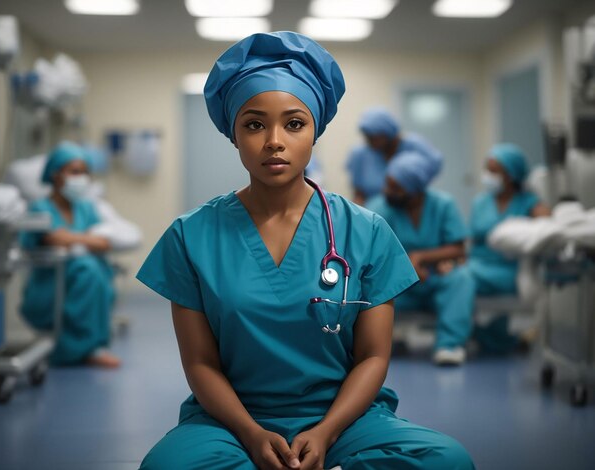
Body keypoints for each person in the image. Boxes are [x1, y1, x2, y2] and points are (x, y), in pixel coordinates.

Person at [136, 32, 474, 469]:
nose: (274, 140)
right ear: (233, 135)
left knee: (447, 461)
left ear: (315, 132)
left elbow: (373, 356)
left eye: (294, 123)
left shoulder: (365, 230)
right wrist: (252, 433)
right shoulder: (191, 235)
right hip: (231, 421)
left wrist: (326, 431)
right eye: (254, 124)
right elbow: (201, 364)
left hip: (344, 417)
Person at [366, 151, 475, 365]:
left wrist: (421, 257)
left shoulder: (443, 204)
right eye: (387, 184)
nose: (387, 191)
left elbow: (458, 249)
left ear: (414, 190)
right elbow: (369, 252)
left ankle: (449, 345)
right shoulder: (379, 208)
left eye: (395, 188)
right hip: (397, 283)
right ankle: (381, 342)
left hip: (435, 278)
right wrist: (405, 268)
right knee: (369, 287)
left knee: (461, 279)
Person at [20, 141, 119, 368]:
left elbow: (103, 242)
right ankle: (70, 350)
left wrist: (71, 238)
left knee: (98, 268)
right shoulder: (40, 208)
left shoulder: (85, 207)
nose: (81, 177)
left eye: (85, 172)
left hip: (80, 275)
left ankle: (89, 346)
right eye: (75, 171)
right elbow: (52, 238)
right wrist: (84, 240)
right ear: (56, 175)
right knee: (88, 268)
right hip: (50, 284)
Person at [467, 143, 550, 354]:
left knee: (461, 279)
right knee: (459, 276)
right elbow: (472, 240)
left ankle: (460, 335)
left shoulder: (529, 202)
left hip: (509, 269)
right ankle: (489, 336)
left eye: (494, 171)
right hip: (477, 263)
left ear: (512, 174)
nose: (488, 176)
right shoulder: (480, 202)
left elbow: (550, 226)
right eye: (487, 169)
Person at [346, 107, 443, 205]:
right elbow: (359, 193)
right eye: (367, 136)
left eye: (373, 137)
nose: (369, 141)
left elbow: (430, 169)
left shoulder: (414, 146)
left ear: (387, 132)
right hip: (374, 211)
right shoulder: (360, 155)